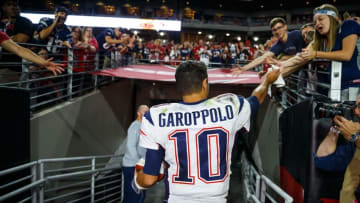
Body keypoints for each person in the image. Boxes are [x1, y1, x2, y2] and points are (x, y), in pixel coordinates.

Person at [132, 61, 280, 202]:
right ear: (204, 83)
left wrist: (137, 180)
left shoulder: (156, 116)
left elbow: (149, 179)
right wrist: (267, 81)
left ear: (179, 86)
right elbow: (256, 99)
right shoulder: (230, 107)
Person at [276, 4, 360, 100]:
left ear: (333, 18)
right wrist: (281, 64)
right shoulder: (321, 39)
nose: (317, 23)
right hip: (334, 87)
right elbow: (302, 56)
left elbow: (346, 55)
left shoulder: (348, 24)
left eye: (321, 19)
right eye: (315, 22)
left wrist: (316, 54)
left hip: (353, 86)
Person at [232, 17, 305, 74]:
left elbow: (303, 55)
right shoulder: (278, 45)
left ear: (285, 27)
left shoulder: (296, 34)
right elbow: (262, 58)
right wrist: (244, 68)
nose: (277, 31)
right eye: (274, 30)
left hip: (309, 66)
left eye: (279, 28)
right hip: (296, 69)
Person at [122, 105, 149, 203]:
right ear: (138, 113)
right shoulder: (135, 126)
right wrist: (139, 165)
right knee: (135, 196)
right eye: (144, 111)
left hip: (138, 165)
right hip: (133, 166)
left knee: (137, 195)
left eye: (148, 111)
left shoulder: (144, 126)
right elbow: (130, 146)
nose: (147, 112)